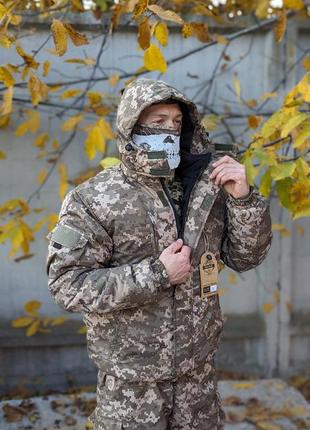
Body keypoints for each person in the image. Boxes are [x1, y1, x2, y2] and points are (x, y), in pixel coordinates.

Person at [46, 78, 272, 430]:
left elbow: (245, 258)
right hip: (133, 392)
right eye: (158, 120)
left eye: (176, 122)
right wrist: (157, 273)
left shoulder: (205, 186)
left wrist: (243, 199)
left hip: (198, 384)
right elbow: (67, 284)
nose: (169, 130)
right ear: (131, 125)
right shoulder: (94, 199)